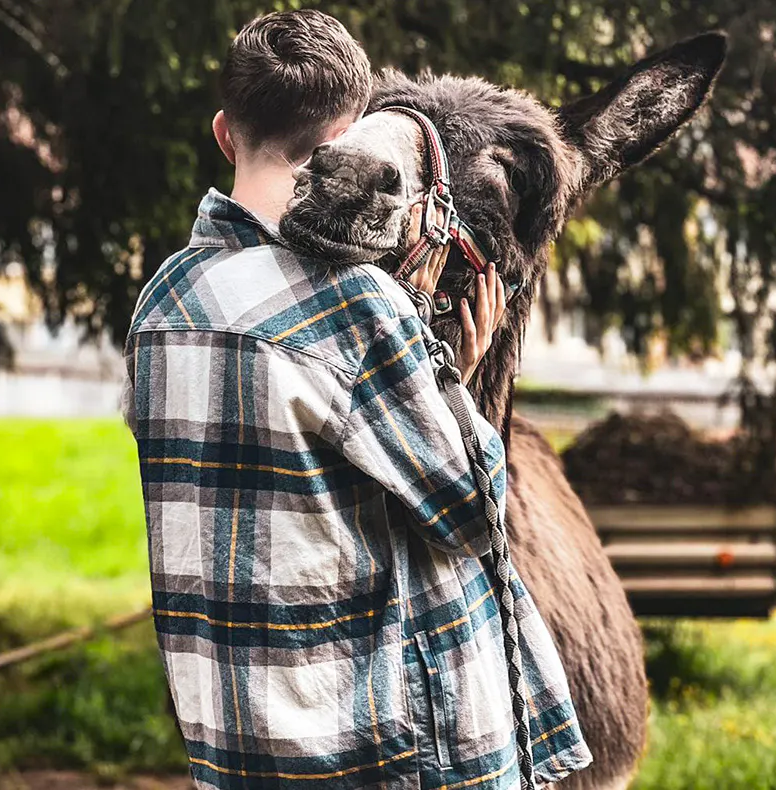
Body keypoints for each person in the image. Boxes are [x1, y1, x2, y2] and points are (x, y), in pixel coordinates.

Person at [123, 9, 590, 788]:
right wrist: (451, 378)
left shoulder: (161, 306)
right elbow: (472, 512)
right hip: (382, 753)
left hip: (237, 749)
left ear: (223, 133)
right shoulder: (354, 304)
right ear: (347, 141)